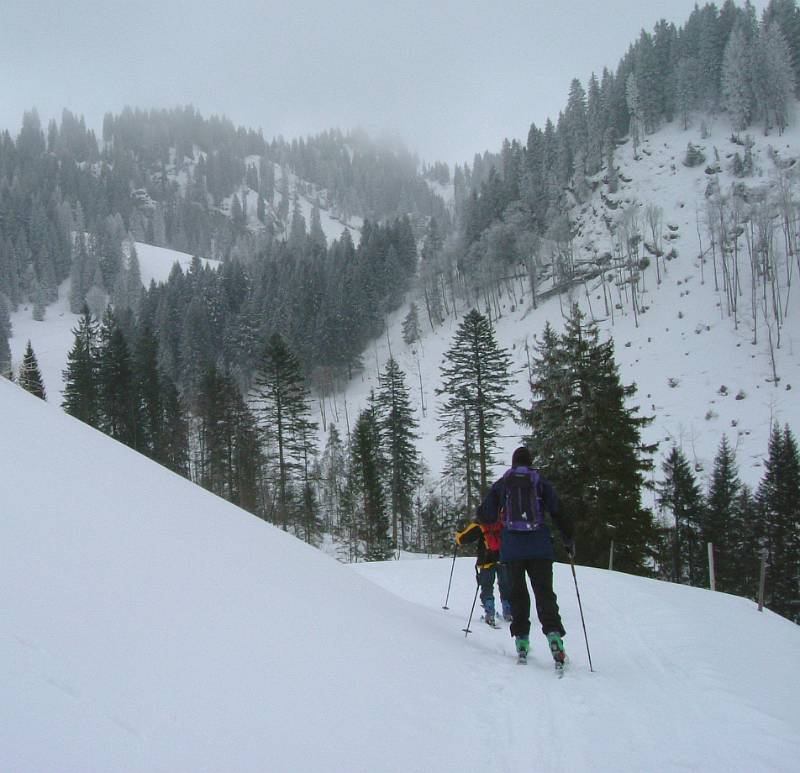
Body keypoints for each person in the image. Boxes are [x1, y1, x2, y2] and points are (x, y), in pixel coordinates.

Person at [477, 446, 574, 665]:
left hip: (512, 551)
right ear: (530, 463)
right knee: (544, 593)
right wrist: (568, 540)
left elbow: (487, 513)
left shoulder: (504, 483)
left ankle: (521, 640)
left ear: (513, 463)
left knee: (518, 595)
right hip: (540, 548)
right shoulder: (539, 482)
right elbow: (559, 511)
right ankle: (554, 636)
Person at [454, 519, 512, 627]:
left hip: (486, 559)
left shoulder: (482, 521)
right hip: (505, 557)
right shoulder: (506, 517)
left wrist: (458, 537)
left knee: (487, 586)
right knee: (506, 585)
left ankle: (490, 613)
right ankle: (508, 611)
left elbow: (465, 537)